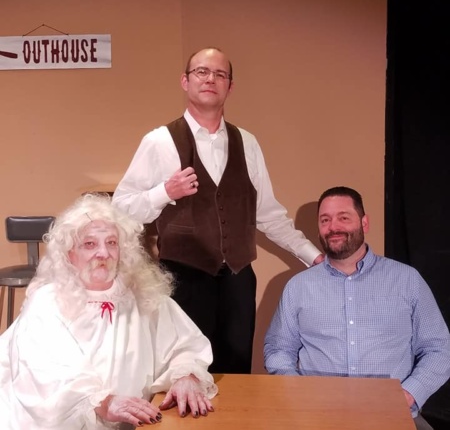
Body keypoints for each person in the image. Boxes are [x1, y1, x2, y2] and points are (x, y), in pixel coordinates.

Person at [112, 47, 323, 374]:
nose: (210, 79)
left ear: (230, 86)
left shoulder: (247, 143)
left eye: (220, 74)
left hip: (238, 280)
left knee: (236, 373)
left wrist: (313, 256)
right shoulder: (159, 141)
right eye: (201, 71)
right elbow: (121, 209)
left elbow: (268, 215)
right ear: (185, 81)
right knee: (185, 372)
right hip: (181, 279)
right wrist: (164, 192)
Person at [0, 194, 217, 430]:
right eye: (89, 244)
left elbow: (185, 346)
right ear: (69, 253)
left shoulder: (143, 297)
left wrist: (186, 376)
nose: (103, 253)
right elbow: (45, 374)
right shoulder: (47, 302)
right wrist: (101, 402)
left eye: (112, 243)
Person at [264, 186, 450, 430]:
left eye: (343, 218)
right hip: (317, 417)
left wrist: (408, 394)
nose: (333, 227)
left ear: (364, 223)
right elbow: (278, 349)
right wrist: (300, 392)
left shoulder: (407, 280)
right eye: (325, 220)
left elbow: (440, 348)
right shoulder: (298, 287)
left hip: (392, 416)